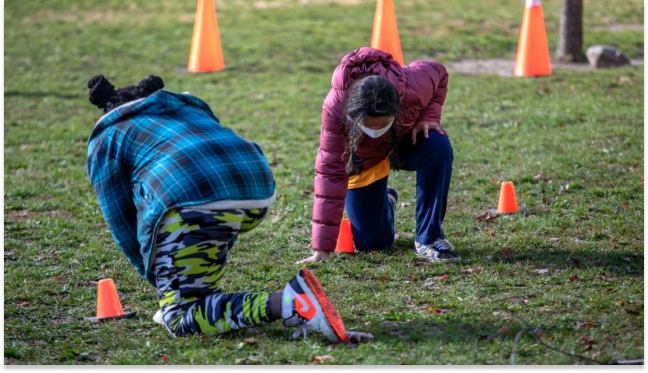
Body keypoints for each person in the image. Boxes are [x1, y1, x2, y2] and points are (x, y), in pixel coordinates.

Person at [85, 74, 361, 342]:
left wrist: (159, 278)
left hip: (193, 197)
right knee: (201, 251)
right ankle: (207, 293)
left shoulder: (108, 135)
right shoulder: (183, 107)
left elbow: (120, 220)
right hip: (255, 185)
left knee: (180, 317)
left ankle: (292, 302)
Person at [300, 47, 458, 264]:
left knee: (438, 144)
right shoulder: (335, 110)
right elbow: (329, 175)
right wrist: (322, 249)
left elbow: (439, 72)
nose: (376, 130)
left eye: (383, 124)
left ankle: (429, 239)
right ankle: (387, 201)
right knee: (372, 243)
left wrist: (428, 117)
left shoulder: (413, 86)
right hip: (365, 159)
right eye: (368, 126)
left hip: (404, 141)